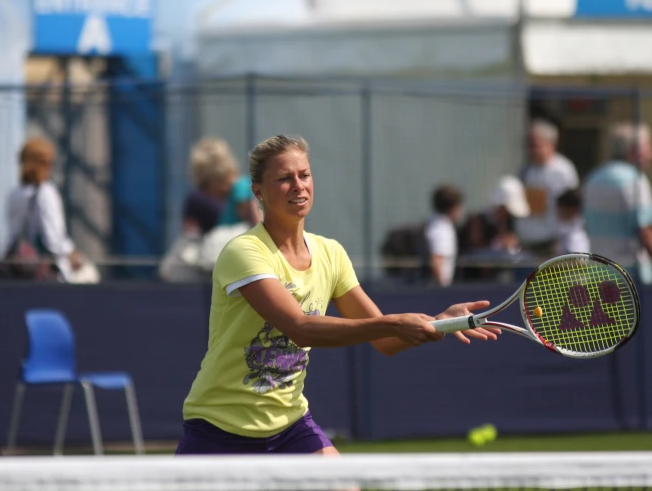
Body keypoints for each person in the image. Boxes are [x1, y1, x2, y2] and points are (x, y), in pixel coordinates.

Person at [177, 134, 499, 456]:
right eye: (284, 179)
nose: (299, 186)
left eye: (304, 175)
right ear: (258, 191)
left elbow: (385, 341)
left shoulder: (331, 254)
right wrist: (394, 324)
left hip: (290, 426)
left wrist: (441, 322)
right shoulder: (244, 251)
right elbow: (299, 327)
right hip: (218, 427)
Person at [584, 122, 652, 284]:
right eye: (647, 146)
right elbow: (645, 229)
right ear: (634, 150)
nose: (651, 153)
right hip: (630, 276)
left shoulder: (593, 178)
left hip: (597, 274)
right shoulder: (636, 179)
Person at [3, 137, 84, 282]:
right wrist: (70, 252)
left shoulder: (13, 194)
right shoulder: (47, 192)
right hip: (45, 273)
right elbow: (53, 238)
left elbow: (13, 234)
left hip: (17, 272)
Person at [516, 119, 579, 258]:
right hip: (527, 244)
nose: (531, 151)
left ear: (552, 145)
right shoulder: (527, 170)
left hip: (552, 245)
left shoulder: (562, 170)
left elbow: (570, 208)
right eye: (529, 146)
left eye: (536, 146)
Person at [459, 175, 530, 281]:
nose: (507, 215)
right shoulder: (476, 222)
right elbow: (473, 253)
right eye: (505, 209)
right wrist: (496, 244)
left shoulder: (506, 222)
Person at [425, 185, 463, 287]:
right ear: (453, 208)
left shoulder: (431, 222)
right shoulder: (442, 229)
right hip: (438, 288)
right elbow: (436, 261)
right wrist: (442, 289)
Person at [556, 188, 589, 254]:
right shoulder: (566, 229)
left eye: (561, 208)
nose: (559, 211)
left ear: (572, 209)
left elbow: (580, 261)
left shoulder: (576, 234)